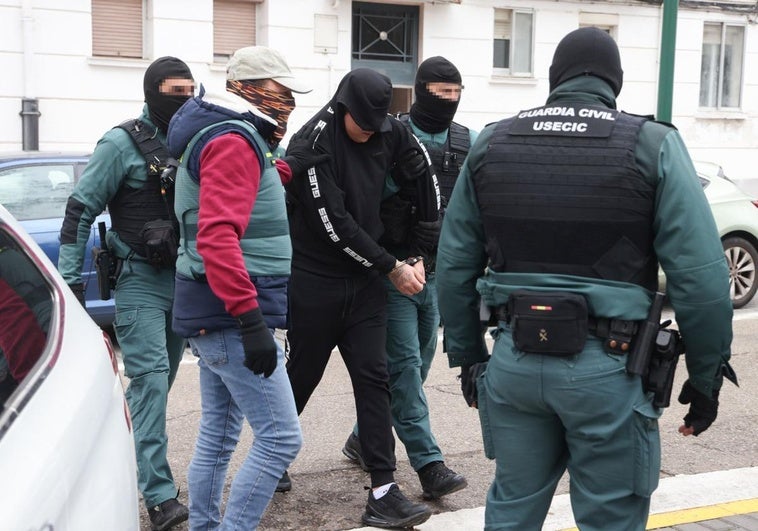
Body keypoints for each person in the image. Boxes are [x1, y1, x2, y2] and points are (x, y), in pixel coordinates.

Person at [436, 27, 736, 531]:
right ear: (614, 82)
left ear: (555, 78)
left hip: (513, 362)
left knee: (511, 508)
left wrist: (468, 357)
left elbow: (453, 265)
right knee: (610, 517)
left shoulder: (492, 142)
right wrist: (705, 380)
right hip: (608, 371)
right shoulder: (651, 144)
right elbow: (702, 280)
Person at [166, 46, 324, 530]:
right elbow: (216, 234)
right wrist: (251, 320)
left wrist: (278, 172)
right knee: (280, 439)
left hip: (215, 314)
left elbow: (237, 195)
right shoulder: (233, 140)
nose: (287, 103)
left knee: (219, 433)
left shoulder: (233, 137)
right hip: (231, 314)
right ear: (249, 90)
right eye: (280, 92)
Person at [283, 68, 439, 529]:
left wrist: (420, 250)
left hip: (367, 282)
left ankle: (384, 491)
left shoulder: (390, 129)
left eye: (378, 125)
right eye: (363, 126)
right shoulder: (312, 144)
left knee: (375, 379)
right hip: (316, 281)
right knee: (301, 377)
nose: (371, 133)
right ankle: (274, 457)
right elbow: (334, 227)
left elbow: (424, 180)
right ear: (344, 106)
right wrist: (392, 267)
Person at [59, 56, 194, 531]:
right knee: (152, 380)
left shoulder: (195, 138)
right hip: (139, 280)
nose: (184, 99)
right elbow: (79, 211)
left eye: (190, 90)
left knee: (157, 387)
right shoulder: (121, 142)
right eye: (175, 90)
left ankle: (114, 458)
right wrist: (70, 284)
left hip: (185, 280)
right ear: (153, 89)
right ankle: (159, 497)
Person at [340, 56, 475, 500]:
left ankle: (363, 437)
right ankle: (429, 465)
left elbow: (475, 204)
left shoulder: (464, 141)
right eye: (440, 94)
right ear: (419, 91)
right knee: (403, 369)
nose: (449, 102)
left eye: (456, 94)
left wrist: (449, 228)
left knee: (416, 366)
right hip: (394, 274)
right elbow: (361, 198)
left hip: (435, 273)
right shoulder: (388, 132)